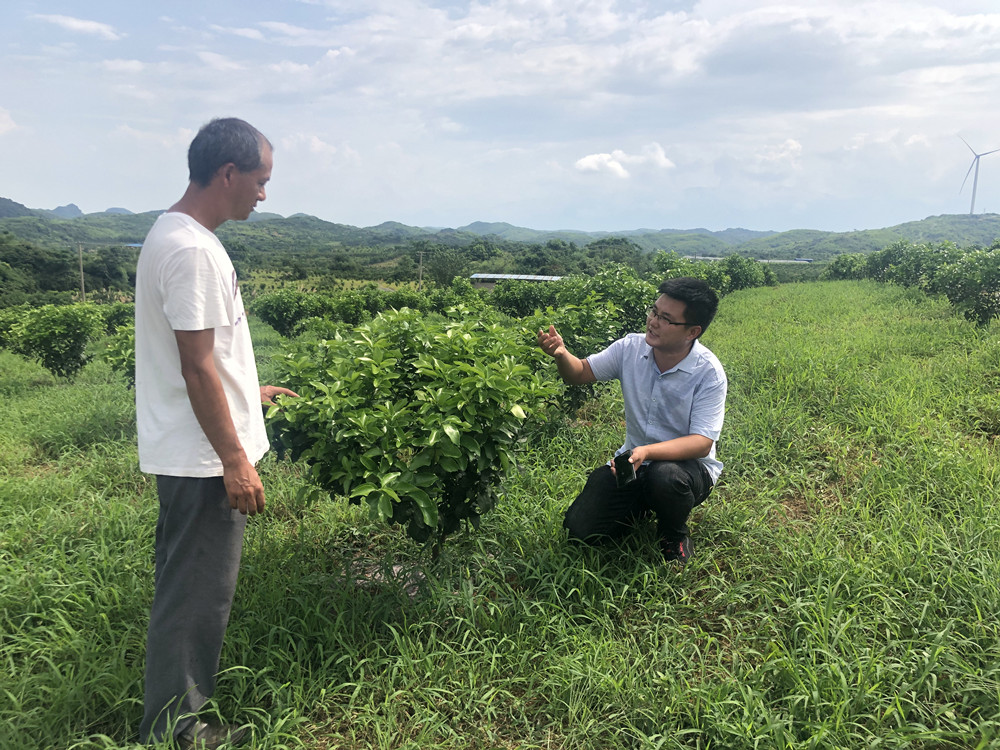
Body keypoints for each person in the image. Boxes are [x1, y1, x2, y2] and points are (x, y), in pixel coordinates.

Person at [135, 117, 298, 748]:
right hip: (203, 460)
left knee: (186, 582)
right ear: (228, 174)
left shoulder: (171, 233)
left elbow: (202, 358)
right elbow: (196, 365)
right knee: (197, 592)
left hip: (191, 444)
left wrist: (245, 395)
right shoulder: (194, 249)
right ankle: (177, 728)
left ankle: (173, 711)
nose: (263, 194)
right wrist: (235, 458)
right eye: (260, 181)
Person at [537, 277, 727, 563]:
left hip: (687, 471)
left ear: (692, 331)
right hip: (634, 465)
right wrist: (562, 354)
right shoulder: (630, 348)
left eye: (666, 319)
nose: (653, 322)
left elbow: (701, 443)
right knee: (580, 531)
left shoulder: (708, 373)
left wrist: (647, 451)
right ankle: (642, 504)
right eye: (654, 312)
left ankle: (673, 534)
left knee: (666, 477)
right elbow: (579, 373)